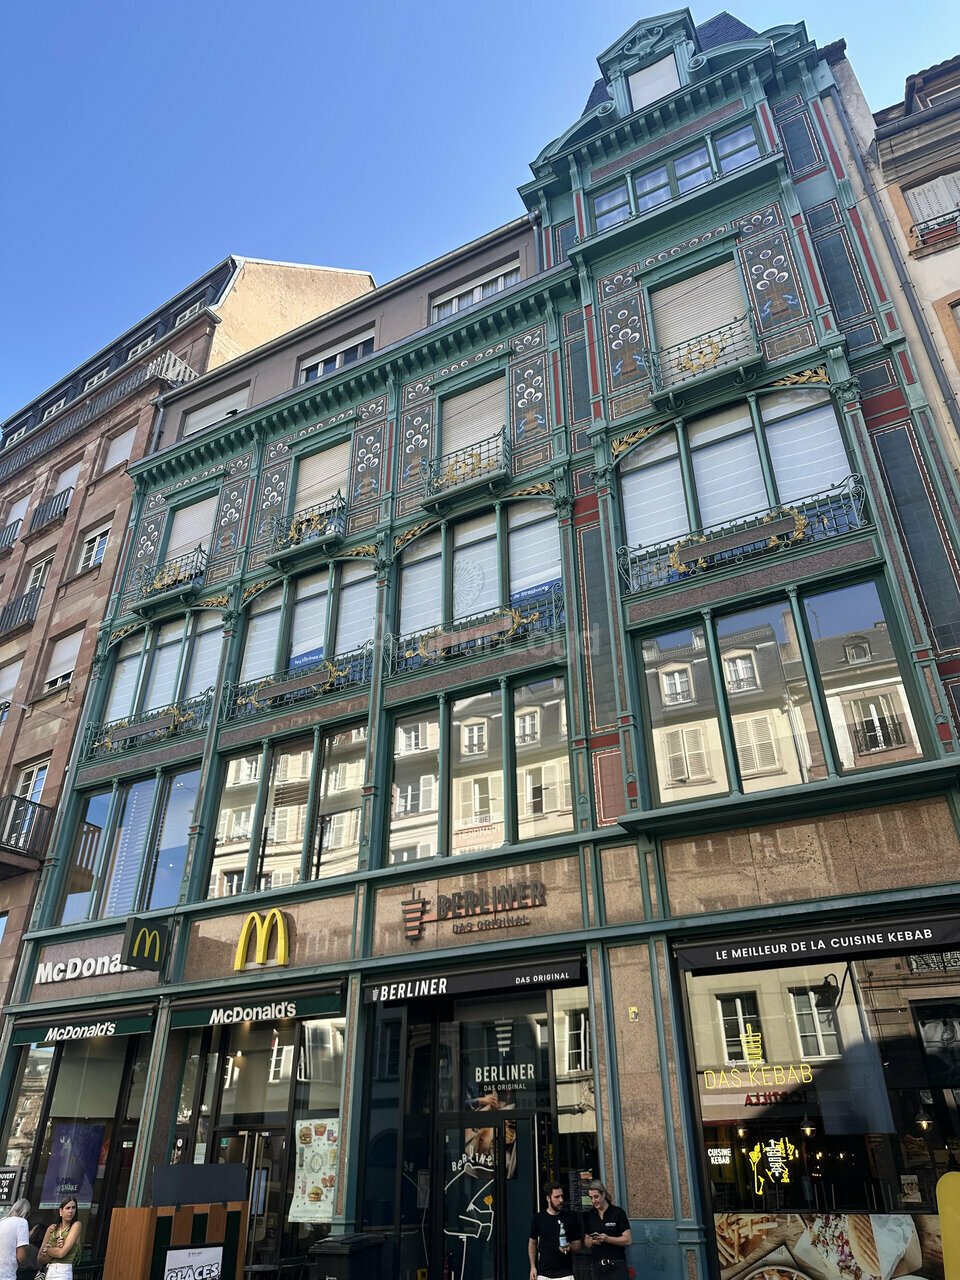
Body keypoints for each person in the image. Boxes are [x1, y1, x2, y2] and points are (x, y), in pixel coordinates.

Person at [529, 1181, 582, 1280]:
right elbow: (532, 1243)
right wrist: (532, 1266)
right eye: (557, 1197)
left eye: (562, 1196)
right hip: (543, 1273)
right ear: (548, 1198)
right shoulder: (538, 1218)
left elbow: (578, 1245)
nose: (561, 1200)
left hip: (565, 1273)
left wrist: (569, 1247)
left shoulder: (570, 1218)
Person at [583, 1180, 631, 1278]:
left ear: (603, 1194)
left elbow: (628, 1240)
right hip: (598, 1265)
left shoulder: (618, 1212)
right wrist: (592, 1241)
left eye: (596, 1196)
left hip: (616, 1264)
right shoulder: (590, 1215)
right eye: (591, 1198)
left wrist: (607, 1239)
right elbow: (586, 1242)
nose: (593, 1200)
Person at [36, 1198, 82, 1280]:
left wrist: (47, 1250)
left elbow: (61, 1253)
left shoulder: (76, 1225)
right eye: (68, 1208)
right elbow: (39, 1259)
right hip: (48, 1270)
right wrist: (56, 1248)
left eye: (73, 1208)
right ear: (61, 1211)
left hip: (63, 1271)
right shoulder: (52, 1228)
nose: (71, 1211)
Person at [0, 1200, 31, 1280]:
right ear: (26, 1213)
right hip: (6, 1274)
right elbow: (20, 1256)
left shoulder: (2, 1221)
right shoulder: (22, 1222)